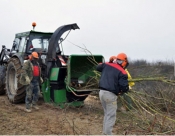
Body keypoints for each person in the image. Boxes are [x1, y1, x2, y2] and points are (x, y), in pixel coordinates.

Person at [96, 53, 129, 135]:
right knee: (111, 116)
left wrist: (110, 62)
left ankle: (105, 133)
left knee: (107, 114)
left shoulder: (107, 65)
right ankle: (108, 134)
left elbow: (98, 67)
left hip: (101, 93)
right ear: (124, 62)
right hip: (110, 95)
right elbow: (124, 87)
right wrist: (125, 89)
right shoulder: (122, 72)